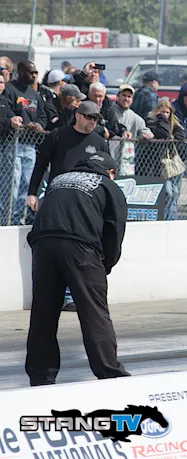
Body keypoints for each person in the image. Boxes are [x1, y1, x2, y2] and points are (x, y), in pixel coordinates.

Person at [25, 151, 130, 386]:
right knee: (93, 311)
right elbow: (114, 230)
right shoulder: (108, 185)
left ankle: (40, 375)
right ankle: (110, 373)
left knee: (43, 313)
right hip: (80, 247)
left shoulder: (58, 179)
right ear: (111, 172)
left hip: (42, 243)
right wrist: (106, 264)